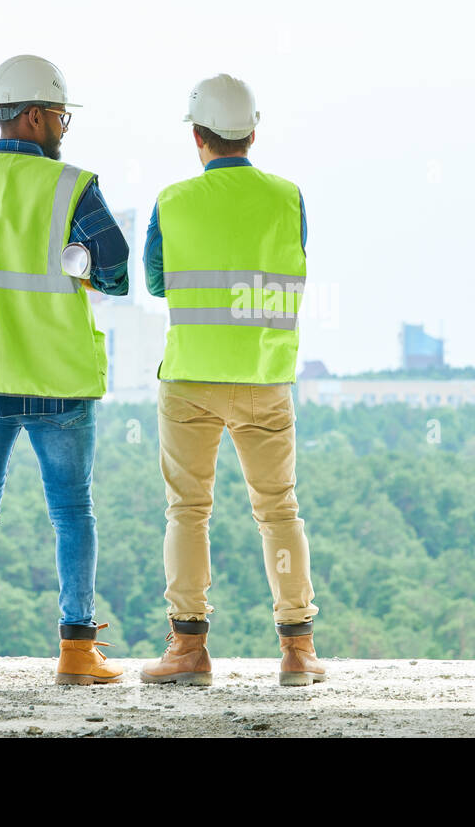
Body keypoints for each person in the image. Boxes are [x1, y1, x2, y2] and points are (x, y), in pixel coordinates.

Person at [0, 54, 129, 685]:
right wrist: (78, 270)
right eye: (61, 114)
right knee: (71, 510)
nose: (65, 125)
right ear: (36, 115)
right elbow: (117, 272)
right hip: (59, 381)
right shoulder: (71, 186)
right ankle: (76, 652)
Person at [139, 73, 324, 686]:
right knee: (278, 510)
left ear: (198, 136)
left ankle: (188, 648)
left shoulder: (172, 201)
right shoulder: (289, 198)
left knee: (188, 511)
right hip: (266, 377)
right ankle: (298, 649)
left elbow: (159, 282)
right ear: (253, 131)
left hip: (190, 375)